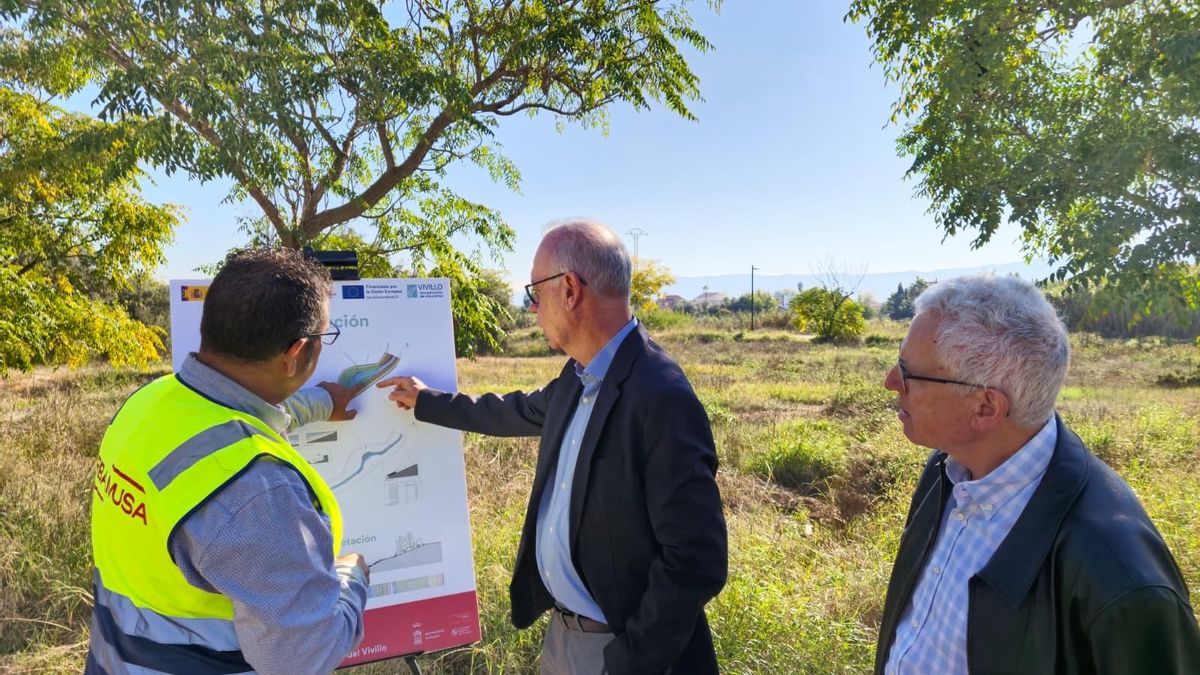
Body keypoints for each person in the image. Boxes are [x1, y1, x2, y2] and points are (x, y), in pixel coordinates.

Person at [378, 219, 727, 675]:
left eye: (535, 292)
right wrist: (427, 401)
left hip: (620, 650)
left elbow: (696, 559)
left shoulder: (660, 397)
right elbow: (514, 410)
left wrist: (629, 661)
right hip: (566, 637)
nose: (532, 307)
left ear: (570, 290)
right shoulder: (578, 378)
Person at [875, 274, 1200, 674]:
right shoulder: (948, 469)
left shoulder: (1122, 579)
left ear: (985, 407)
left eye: (909, 373)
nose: (890, 382)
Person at [87, 248, 370, 675]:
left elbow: (231, 416)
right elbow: (303, 656)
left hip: (115, 660)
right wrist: (352, 578)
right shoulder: (259, 493)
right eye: (323, 337)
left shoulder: (149, 402)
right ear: (295, 353)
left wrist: (323, 402)